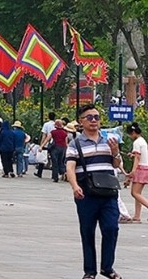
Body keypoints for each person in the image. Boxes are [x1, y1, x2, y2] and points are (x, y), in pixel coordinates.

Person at [66, 104, 123, 279]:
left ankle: (107, 267)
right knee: (87, 231)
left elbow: (116, 165)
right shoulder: (75, 143)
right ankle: (89, 271)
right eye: (89, 117)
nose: (93, 121)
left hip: (108, 192)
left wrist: (115, 152)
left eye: (96, 117)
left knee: (111, 228)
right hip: (87, 193)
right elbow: (70, 166)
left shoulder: (109, 140)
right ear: (81, 122)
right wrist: (75, 186)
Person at [125, 122, 148, 223]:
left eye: (130, 134)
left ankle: (138, 215)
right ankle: (137, 216)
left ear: (133, 132)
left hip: (140, 168)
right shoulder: (142, 141)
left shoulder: (137, 142)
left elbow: (137, 158)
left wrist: (133, 171)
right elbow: (138, 155)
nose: (130, 136)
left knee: (134, 193)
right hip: (145, 167)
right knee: (138, 193)